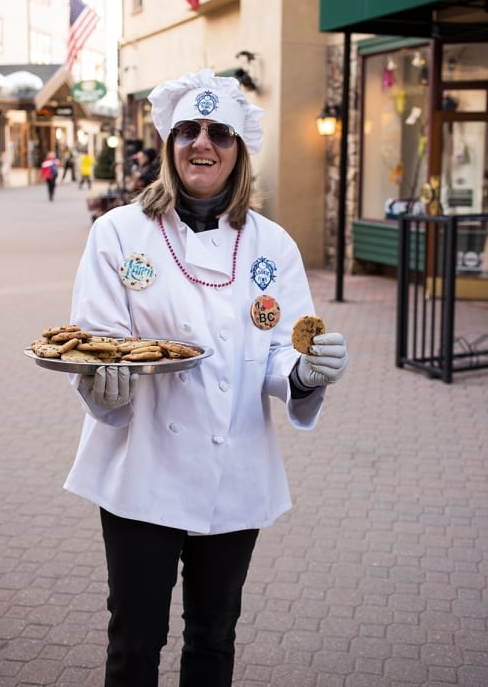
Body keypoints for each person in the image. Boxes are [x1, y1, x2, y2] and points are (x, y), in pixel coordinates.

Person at [64, 69, 349, 687]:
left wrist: (304, 373)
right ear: (168, 143)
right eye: (189, 129)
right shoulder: (119, 232)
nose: (203, 143)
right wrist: (99, 383)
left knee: (215, 638)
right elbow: (96, 339)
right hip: (141, 465)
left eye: (220, 132)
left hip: (235, 466)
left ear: (238, 150)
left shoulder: (273, 245)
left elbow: (279, 352)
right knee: (135, 641)